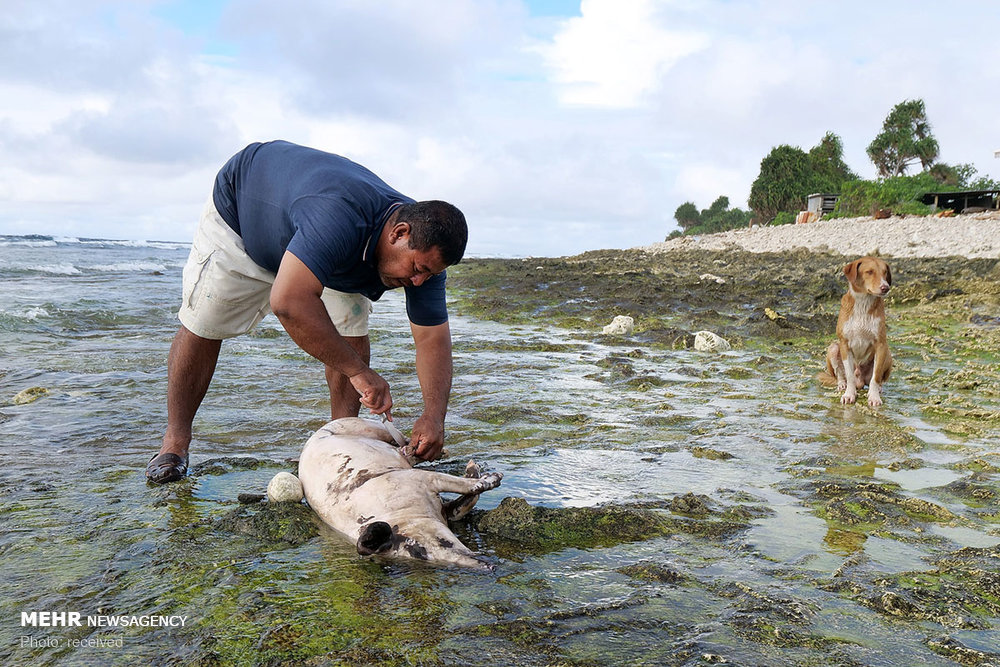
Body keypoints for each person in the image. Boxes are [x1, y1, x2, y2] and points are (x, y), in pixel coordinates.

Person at [146, 140, 468, 484]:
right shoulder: (338, 216)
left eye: (429, 274)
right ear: (398, 233)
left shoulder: (426, 258)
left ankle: (342, 445)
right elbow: (287, 302)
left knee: (350, 333)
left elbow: (433, 338)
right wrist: (360, 373)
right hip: (242, 219)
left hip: (327, 250)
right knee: (204, 324)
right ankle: (175, 443)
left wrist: (434, 417)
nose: (419, 281)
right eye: (417, 268)